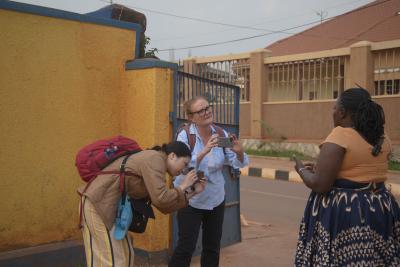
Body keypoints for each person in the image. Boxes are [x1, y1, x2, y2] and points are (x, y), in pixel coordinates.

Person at [293, 88, 400, 266]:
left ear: (342, 112)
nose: (333, 112)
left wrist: (301, 169)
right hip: (381, 207)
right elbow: (359, 167)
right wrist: (321, 168)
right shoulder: (383, 137)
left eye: (334, 108)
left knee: (345, 258)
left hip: (348, 212)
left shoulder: (340, 134)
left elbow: (320, 185)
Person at [78, 141, 206, 267]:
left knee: (125, 258)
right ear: (172, 156)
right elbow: (161, 198)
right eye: (184, 164)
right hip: (98, 204)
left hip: (109, 208)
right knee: (112, 261)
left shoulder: (156, 164)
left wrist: (193, 192)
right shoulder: (154, 158)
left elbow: (164, 206)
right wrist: (184, 185)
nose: (184, 170)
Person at [169, 96, 249, 267]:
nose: (206, 112)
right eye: (201, 110)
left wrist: (239, 152)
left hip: (215, 198)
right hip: (190, 199)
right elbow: (179, 166)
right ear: (191, 117)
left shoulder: (221, 134)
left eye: (207, 108)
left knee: (212, 248)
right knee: (185, 247)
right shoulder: (185, 136)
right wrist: (204, 151)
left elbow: (236, 162)